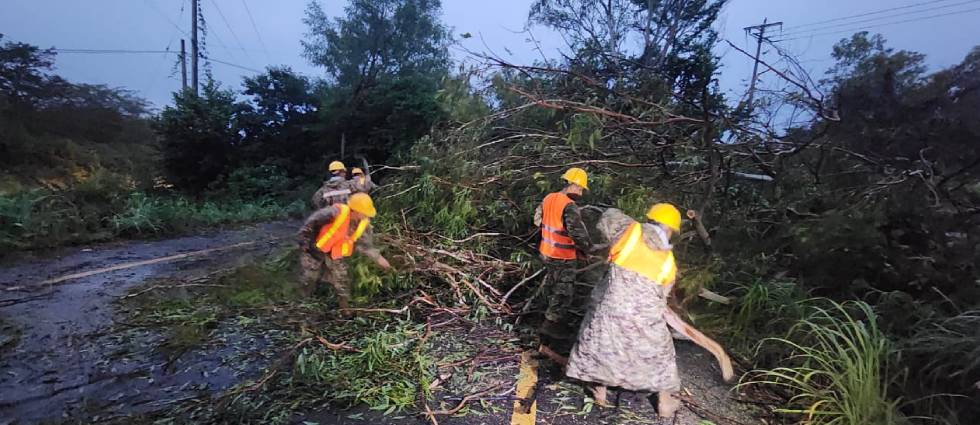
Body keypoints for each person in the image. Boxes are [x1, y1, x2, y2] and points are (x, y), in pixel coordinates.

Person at [564, 203, 684, 419]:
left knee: (594, 341)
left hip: (608, 313)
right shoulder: (669, 262)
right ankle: (665, 403)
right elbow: (662, 297)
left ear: (650, 219)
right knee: (664, 356)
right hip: (644, 321)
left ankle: (599, 390)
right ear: (670, 230)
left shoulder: (629, 231)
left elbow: (607, 218)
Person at [297, 193, 391, 316]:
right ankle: (302, 305)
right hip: (314, 250)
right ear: (355, 211)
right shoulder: (336, 212)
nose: (365, 217)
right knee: (308, 278)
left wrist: (378, 258)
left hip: (336, 253)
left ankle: (344, 309)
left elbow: (366, 245)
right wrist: (304, 242)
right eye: (363, 213)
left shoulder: (362, 224)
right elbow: (311, 222)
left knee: (342, 280)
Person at [533, 167, 593, 342]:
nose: (581, 193)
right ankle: (549, 328)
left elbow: (537, 221)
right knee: (563, 292)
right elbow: (578, 234)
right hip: (562, 256)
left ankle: (538, 320)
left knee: (549, 286)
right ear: (572, 185)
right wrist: (588, 249)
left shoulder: (548, 198)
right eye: (580, 188)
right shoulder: (569, 206)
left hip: (546, 253)